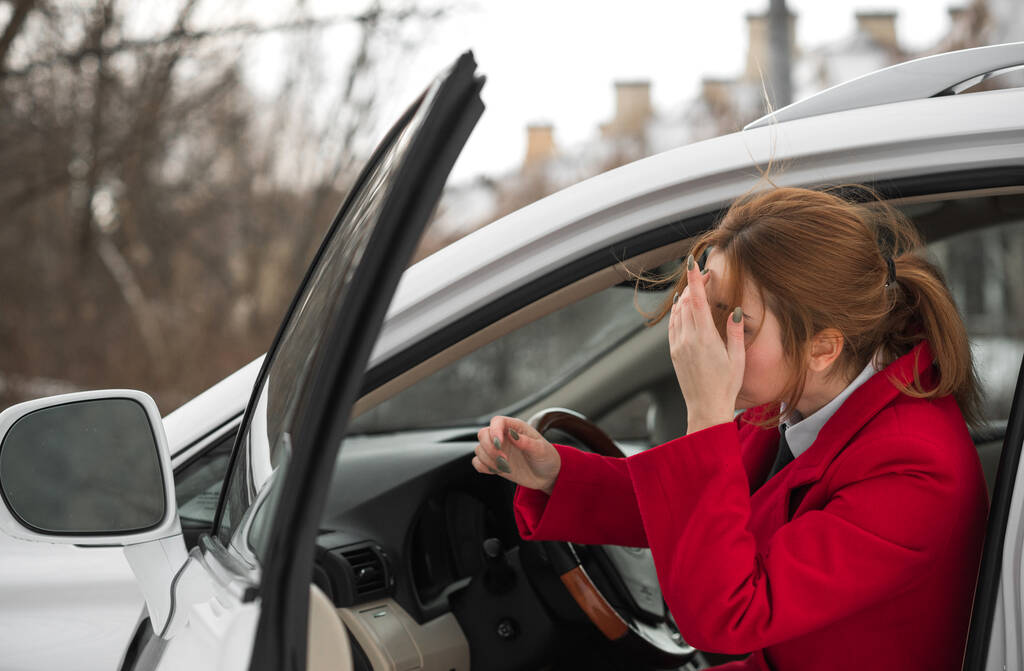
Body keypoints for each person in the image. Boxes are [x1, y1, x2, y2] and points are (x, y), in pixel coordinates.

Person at [471, 186, 989, 671]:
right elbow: (696, 506)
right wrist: (557, 474)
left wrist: (706, 417)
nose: (713, 342)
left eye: (737, 321)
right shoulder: (796, 398)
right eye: (709, 312)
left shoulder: (913, 468)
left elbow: (729, 616)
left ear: (823, 347)